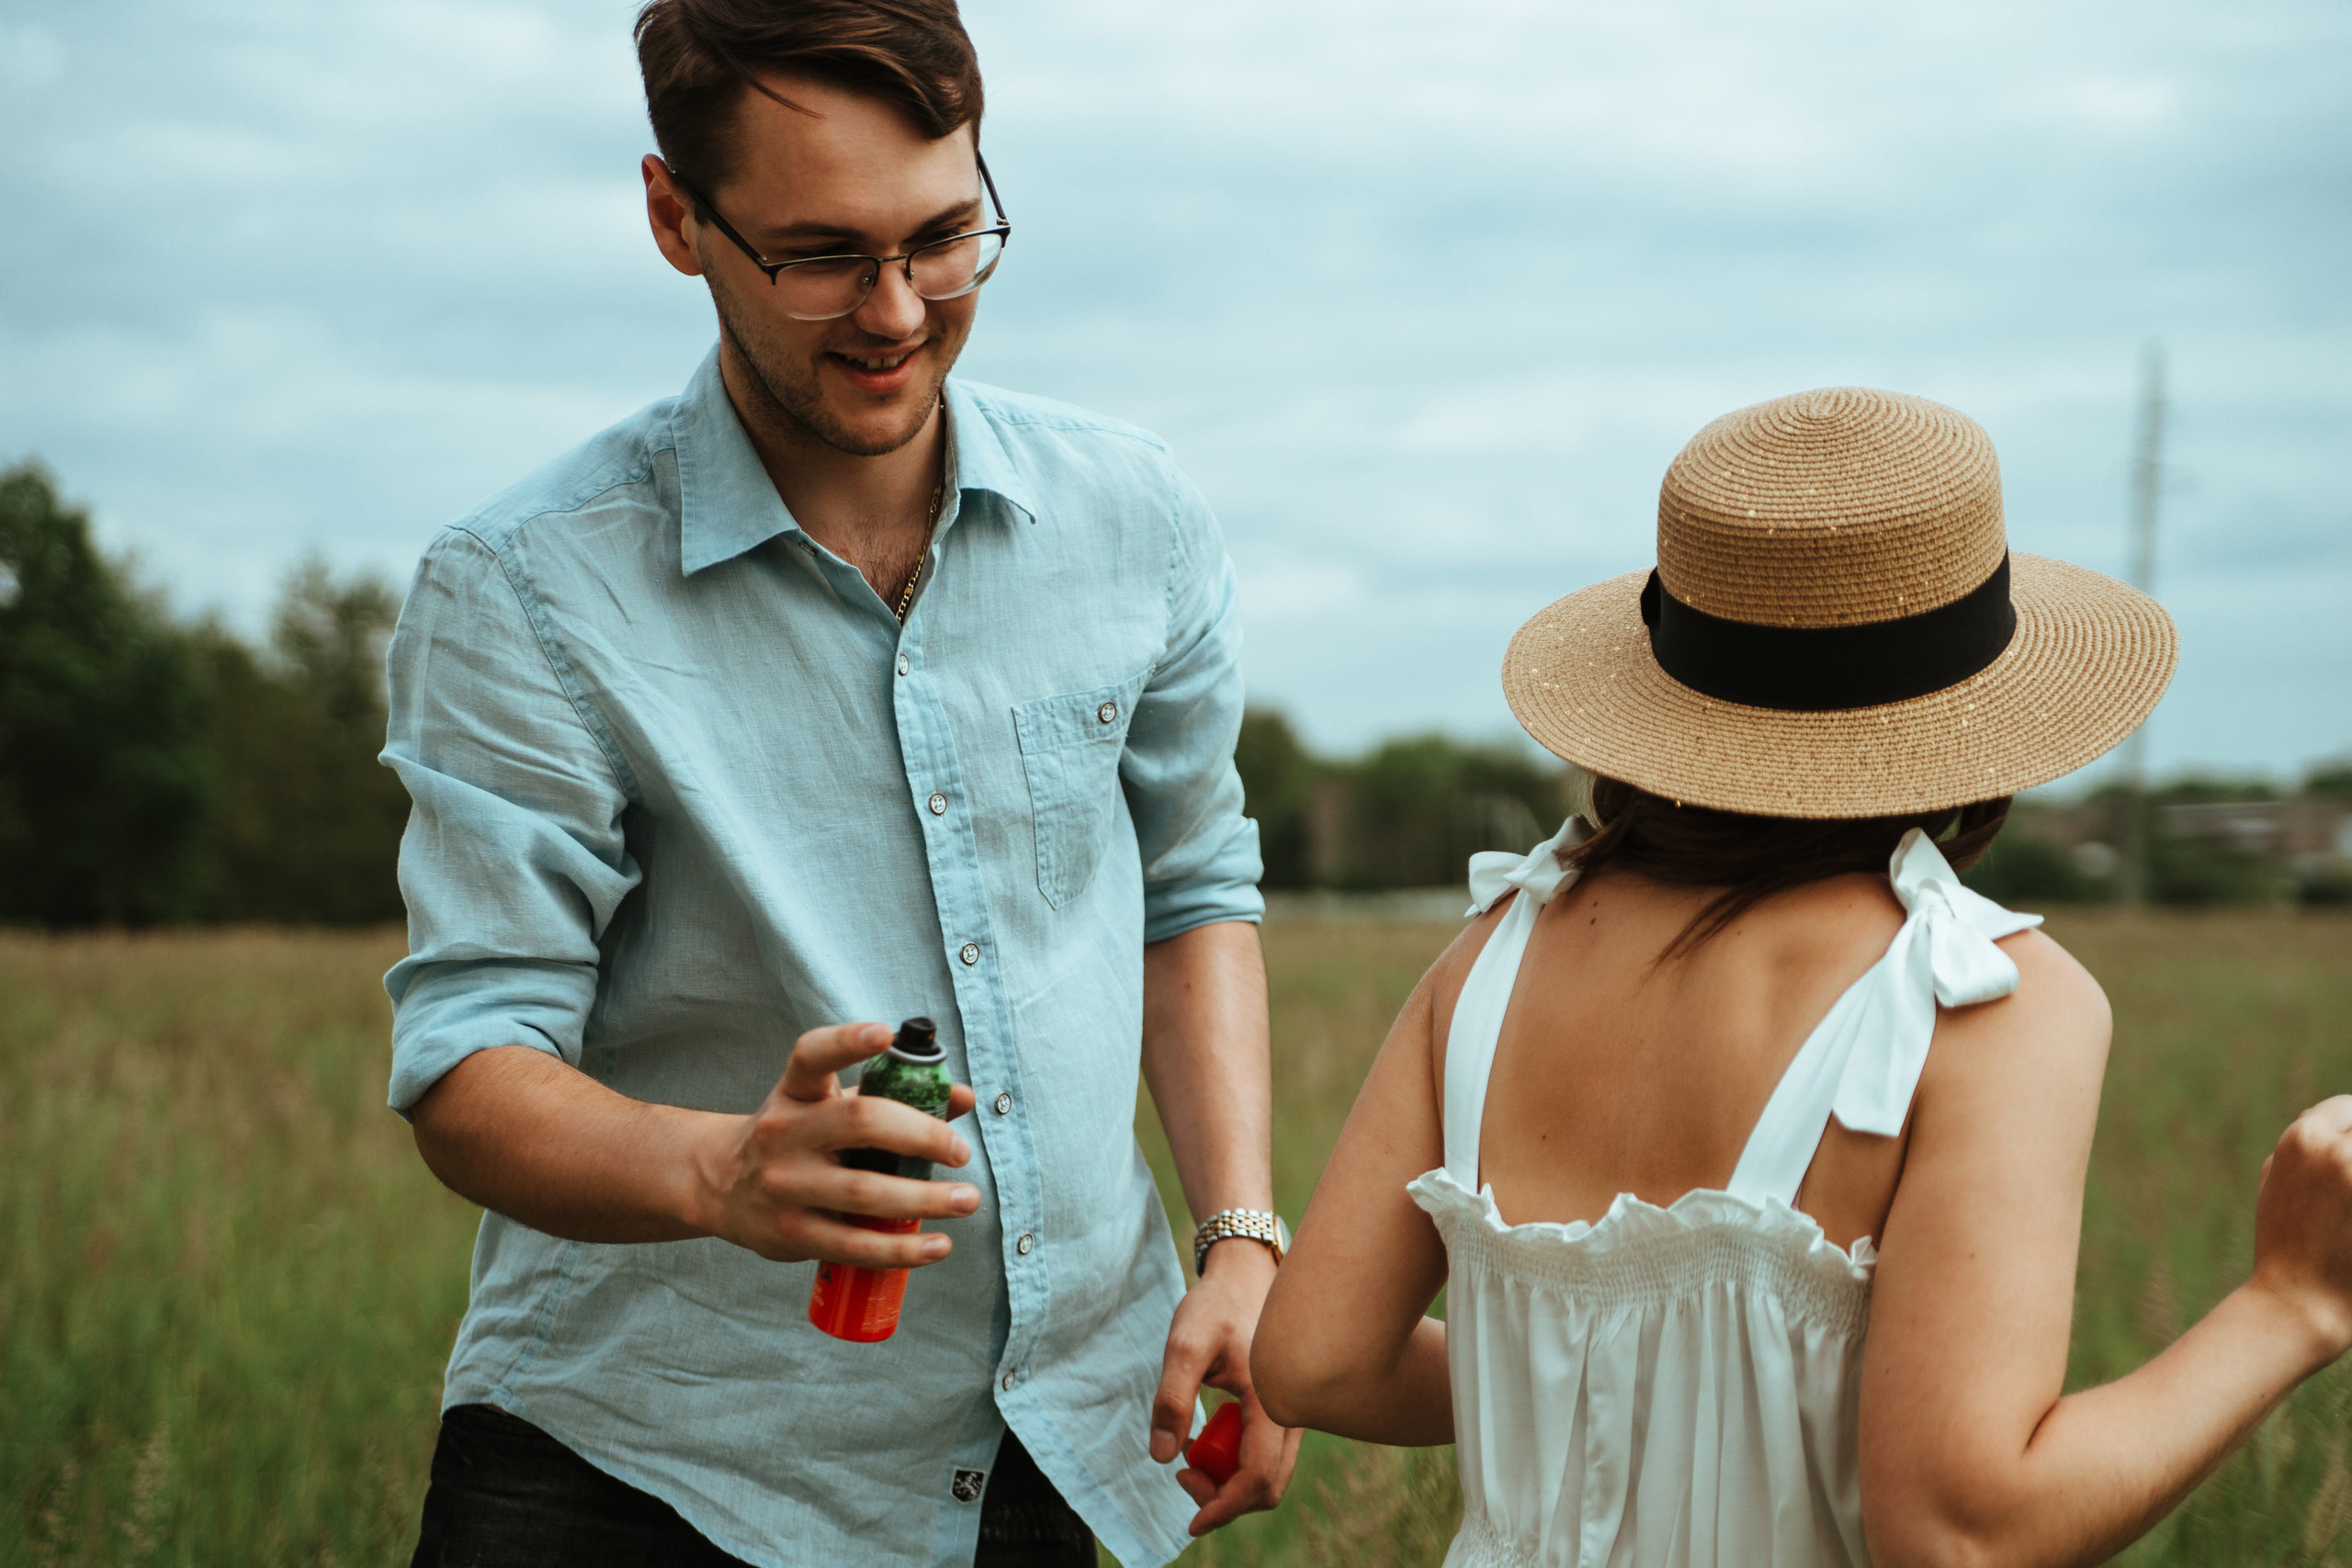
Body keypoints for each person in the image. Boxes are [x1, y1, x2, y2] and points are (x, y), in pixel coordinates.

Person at [383, 3, 1298, 1563]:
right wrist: (724, 1167)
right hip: (650, 1477)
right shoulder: (521, 589)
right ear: (679, 217)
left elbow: (1192, 892)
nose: (896, 311)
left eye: (946, 238)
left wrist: (1241, 1244)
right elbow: (471, 1065)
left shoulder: (1135, 516)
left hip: (1065, 1453)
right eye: (821, 254)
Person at [1250, 386, 2352, 1566]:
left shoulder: (1493, 952)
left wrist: (1580, 1387)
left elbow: (1315, 1361)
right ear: (1975, 719)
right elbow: (1962, 1530)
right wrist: (2287, 1304)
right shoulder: (1981, 1002)